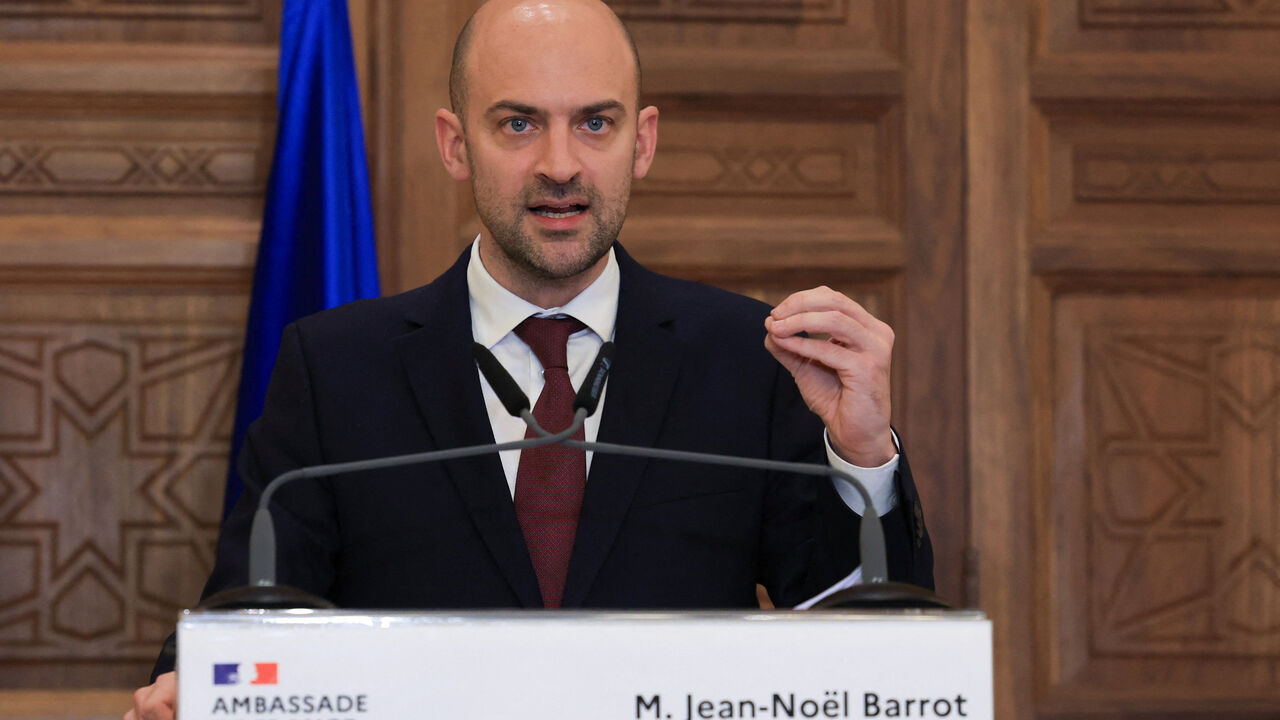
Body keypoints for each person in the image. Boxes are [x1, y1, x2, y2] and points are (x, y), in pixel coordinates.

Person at [125, 0, 932, 717]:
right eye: (518, 123)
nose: (559, 165)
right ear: (454, 144)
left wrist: (862, 457)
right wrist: (192, 685)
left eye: (595, 123)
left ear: (642, 142)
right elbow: (251, 616)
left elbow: (867, 651)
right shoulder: (338, 369)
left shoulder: (747, 358)